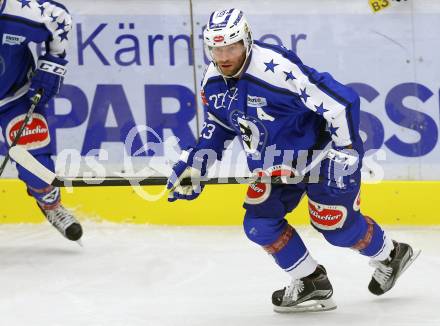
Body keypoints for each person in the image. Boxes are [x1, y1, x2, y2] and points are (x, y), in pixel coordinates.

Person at [167, 8, 420, 312]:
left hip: (321, 154)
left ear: (247, 41)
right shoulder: (212, 81)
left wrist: (347, 151)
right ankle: (311, 282)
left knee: (336, 228)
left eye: (231, 47)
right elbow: (221, 125)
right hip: (275, 165)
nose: (223, 56)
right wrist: (197, 165)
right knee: (259, 224)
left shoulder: (276, 69)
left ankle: (391, 255)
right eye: (216, 49)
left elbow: (342, 103)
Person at [0, 0, 82, 242]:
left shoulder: (20, 11)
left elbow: (60, 18)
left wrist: (53, 63)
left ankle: (51, 204)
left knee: (39, 169)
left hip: (15, 97)